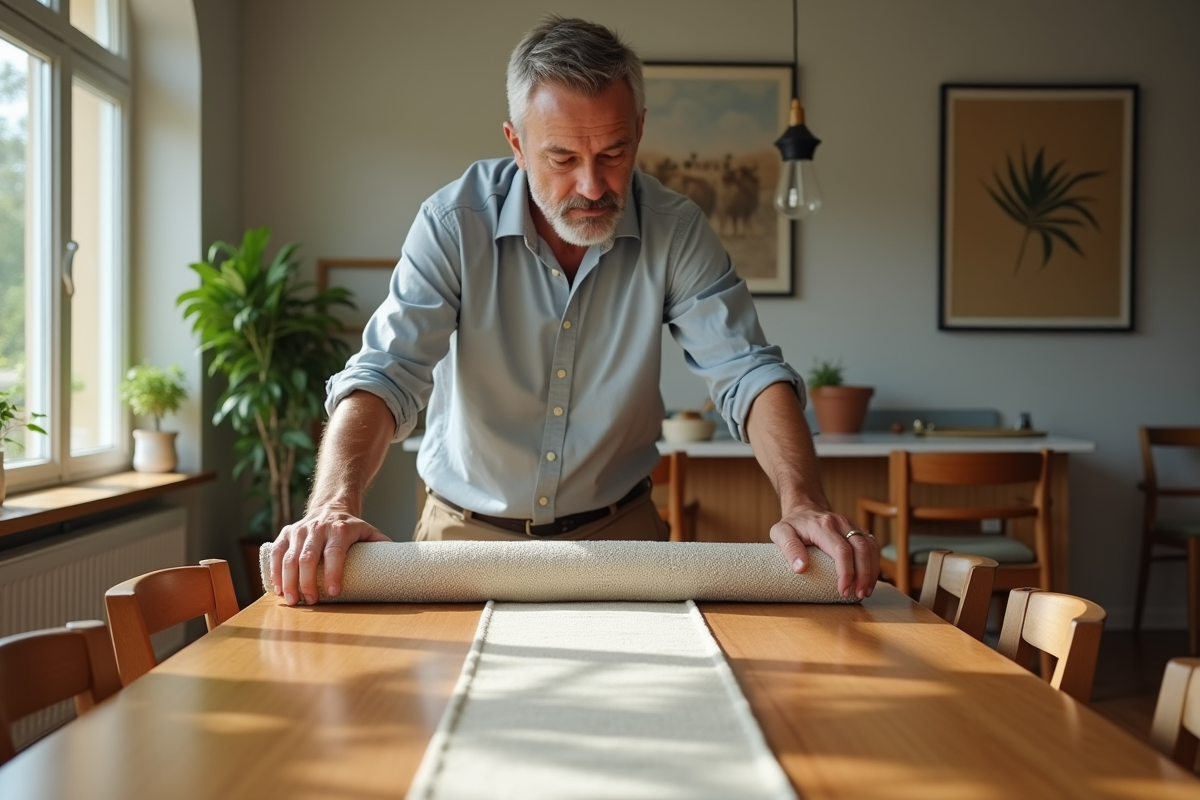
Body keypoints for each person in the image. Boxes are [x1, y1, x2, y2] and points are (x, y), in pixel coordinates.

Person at [269, 15, 879, 607]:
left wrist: (803, 501)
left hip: (621, 538)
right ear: (516, 143)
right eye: (562, 158)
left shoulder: (676, 230)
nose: (592, 186)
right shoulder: (453, 224)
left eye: (613, 153)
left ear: (639, 130)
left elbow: (746, 370)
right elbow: (385, 373)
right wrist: (332, 505)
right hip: (463, 538)